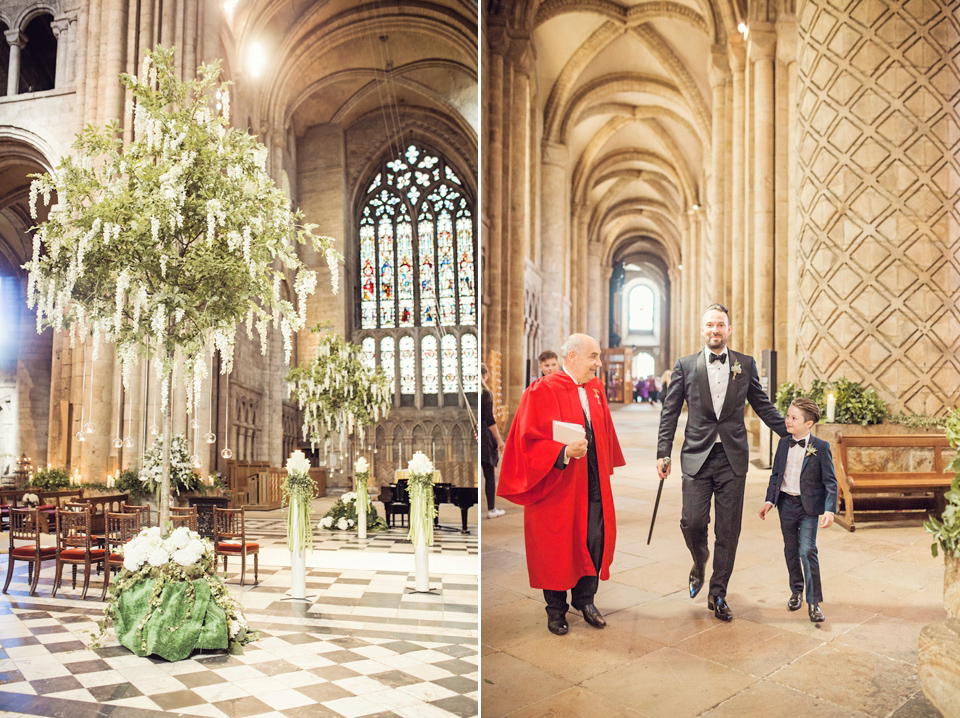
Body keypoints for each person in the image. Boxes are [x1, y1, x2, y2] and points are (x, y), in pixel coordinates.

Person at [656, 303, 787, 622]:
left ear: (728, 330)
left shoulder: (745, 364)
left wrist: (793, 433)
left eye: (720, 325)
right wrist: (663, 451)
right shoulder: (685, 366)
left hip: (732, 458)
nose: (715, 330)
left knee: (729, 530)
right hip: (697, 457)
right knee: (693, 521)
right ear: (703, 330)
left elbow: (762, 405)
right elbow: (670, 411)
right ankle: (699, 560)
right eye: (710, 325)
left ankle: (718, 593)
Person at [498, 334, 625, 635]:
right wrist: (562, 453)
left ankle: (586, 600)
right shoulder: (541, 391)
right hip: (558, 484)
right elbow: (525, 440)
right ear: (572, 357)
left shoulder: (595, 389)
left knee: (593, 539)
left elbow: (604, 429)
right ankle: (555, 610)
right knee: (556, 547)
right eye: (593, 356)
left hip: (591, 481)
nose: (598, 362)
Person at [759, 397, 837, 623]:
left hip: (809, 507)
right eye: (788, 416)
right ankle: (796, 590)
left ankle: (814, 603)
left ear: (808, 424)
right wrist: (769, 501)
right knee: (791, 551)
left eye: (794, 418)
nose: (788, 421)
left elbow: (830, 481)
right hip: (786, 504)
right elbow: (776, 476)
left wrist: (829, 510)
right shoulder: (784, 443)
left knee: (807, 551)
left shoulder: (820, 448)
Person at [481, 364, 506, 518]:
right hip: (484, 435)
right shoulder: (486, 394)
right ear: (485, 376)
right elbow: (490, 420)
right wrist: (499, 439)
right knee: (489, 473)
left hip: (477, 432)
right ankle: (491, 509)